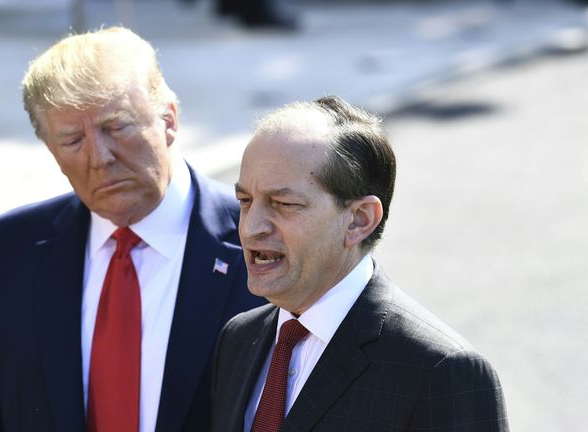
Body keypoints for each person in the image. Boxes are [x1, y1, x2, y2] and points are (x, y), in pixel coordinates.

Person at [0, 27, 263, 432]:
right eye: (73, 140)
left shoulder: (260, 239)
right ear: (51, 152)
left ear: (169, 119)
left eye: (116, 127)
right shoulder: (3, 252)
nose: (100, 157)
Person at [211, 96, 509, 431]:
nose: (251, 227)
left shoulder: (439, 371)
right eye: (245, 201)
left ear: (359, 220)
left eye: (283, 203)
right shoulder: (238, 339)